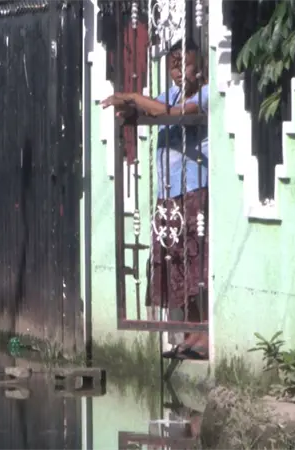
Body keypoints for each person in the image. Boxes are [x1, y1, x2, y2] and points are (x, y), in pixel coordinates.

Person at [101, 39, 209, 360]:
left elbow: (169, 114)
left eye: (184, 65)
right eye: (173, 67)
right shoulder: (170, 94)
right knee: (176, 265)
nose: (178, 73)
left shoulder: (204, 95)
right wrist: (130, 109)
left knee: (196, 265)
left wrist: (134, 97)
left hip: (193, 191)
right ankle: (187, 334)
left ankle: (203, 337)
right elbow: (151, 109)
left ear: (199, 66)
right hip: (168, 195)